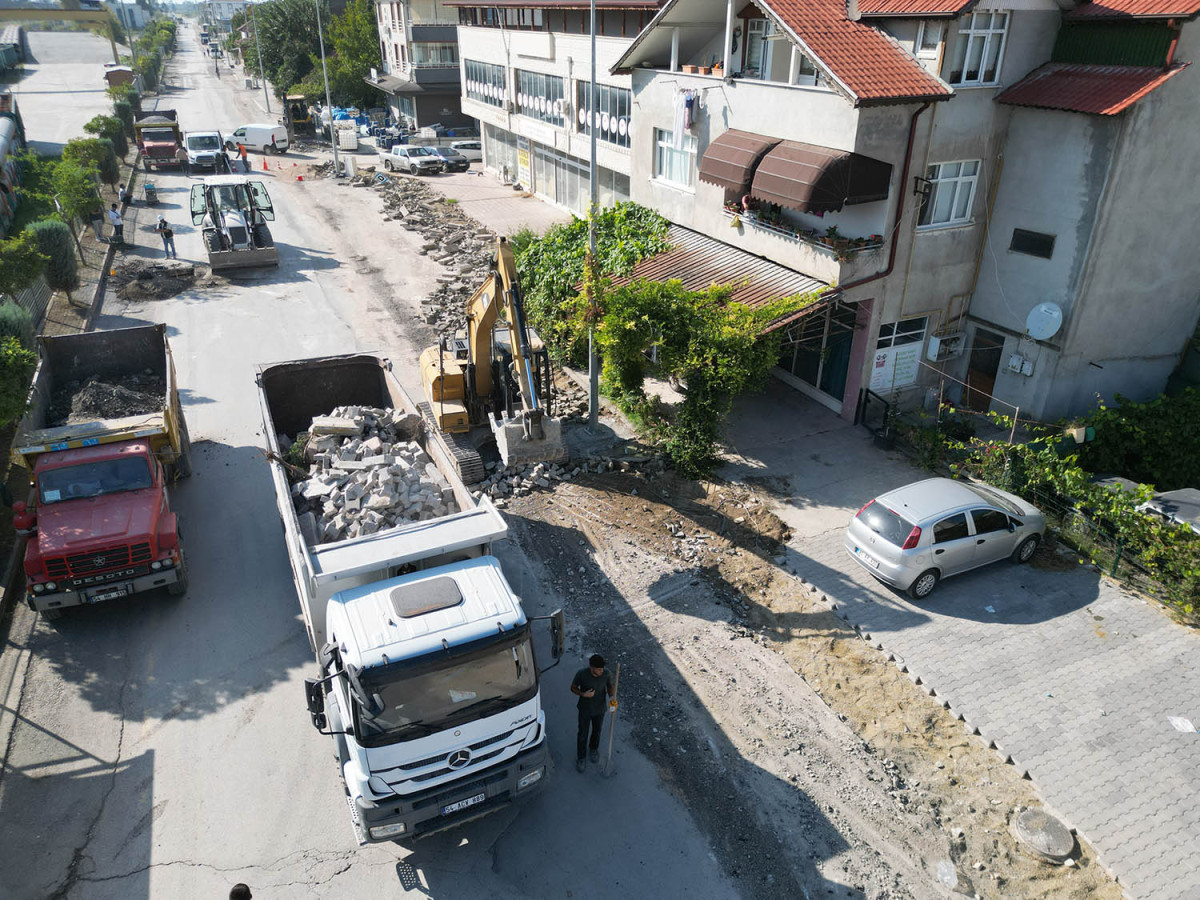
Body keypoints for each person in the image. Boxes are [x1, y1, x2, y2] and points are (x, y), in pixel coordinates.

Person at [571, 654, 616, 772]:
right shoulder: (582, 674)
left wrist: (612, 697)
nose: (601, 671)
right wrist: (583, 694)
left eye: (602, 668)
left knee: (597, 731)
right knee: (582, 734)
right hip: (585, 709)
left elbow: (610, 686)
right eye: (599, 669)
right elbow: (573, 687)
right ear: (592, 668)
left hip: (599, 709)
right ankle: (581, 758)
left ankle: (593, 749)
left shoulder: (606, 674)